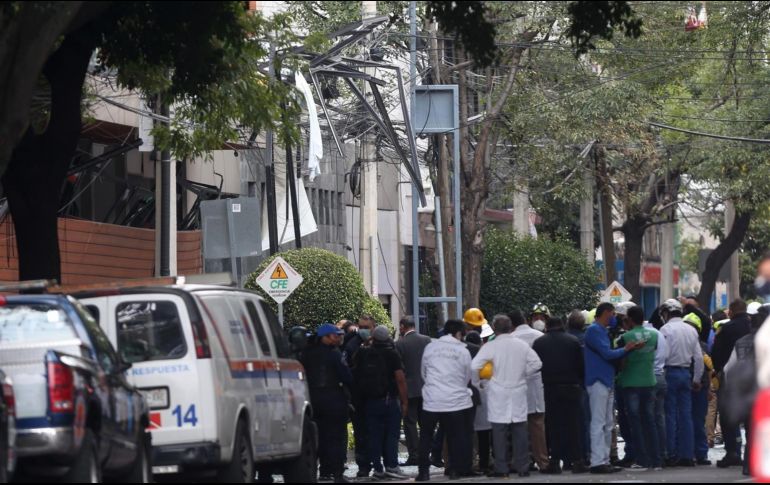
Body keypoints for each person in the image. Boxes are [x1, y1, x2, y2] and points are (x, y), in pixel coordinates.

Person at [471, 314, 542, 478]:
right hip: (518, 390)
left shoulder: (490, 346)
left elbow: (474, 366)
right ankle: (523, 467)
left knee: (499, 431)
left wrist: (477, 384)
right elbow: (537, 363)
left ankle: (501, 467)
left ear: (494, 328)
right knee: (520, 429)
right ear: (511, 328)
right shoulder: (521, 345)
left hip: (498, 391)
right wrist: (523, 374)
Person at [584, 302, 643, 474]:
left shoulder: (600, 331)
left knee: (607, 423)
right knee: (599, 422)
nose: (614, 318)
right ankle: (598, 461)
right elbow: (607, 354)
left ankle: (603, 460)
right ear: (606, 313)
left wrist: (627, 349)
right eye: (613, 314)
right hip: (599, 380)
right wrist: (627, 348)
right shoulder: (594, 331)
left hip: (605, 380)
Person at [416, 319, 475, 482]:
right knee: (454, 436)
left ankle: (423, 472)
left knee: (426, 437)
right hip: (455, 401)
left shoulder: (430, 347)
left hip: (431, 400)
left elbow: (423, 372)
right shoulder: (462, 351)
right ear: (458, 333)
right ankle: (454, 470)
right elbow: (468, 376)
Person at [532, 316, 587, 474]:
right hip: (571, 386)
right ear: (562, 325)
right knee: (573, 425)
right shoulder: (573, 341)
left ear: (547, 326)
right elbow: (581, 366)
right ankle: (577, 461)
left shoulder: (539, 343)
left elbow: (537, 365)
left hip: (550, 387)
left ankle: (555, 461)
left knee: (554, 426)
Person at [352, 325, 409, 479]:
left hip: (369, 401)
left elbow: (354, 370)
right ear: (388, 337)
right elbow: (400, 379)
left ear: (373, 337)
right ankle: (391, 465)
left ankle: (377, 468)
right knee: (391, 434)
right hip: (389, 400)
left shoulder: (363, 352)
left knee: (374, 436)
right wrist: (404, 401)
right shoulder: (392, 353)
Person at [300, 324, 352, 483]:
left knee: (316, 439)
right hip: (333, 400)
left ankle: (317, 472)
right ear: (326, 337)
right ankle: (336, 474)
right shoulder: (334, 353)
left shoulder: (306, 353)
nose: (338, 338)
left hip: (312, 400)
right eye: (335, 335)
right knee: (335, 438)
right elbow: (346, 376)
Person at [659, 298, 704, 467]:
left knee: (670, 414)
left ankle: (671, 453)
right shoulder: (691, 330)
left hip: (670, 373)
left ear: (666, 313)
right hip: (686, 374)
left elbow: (662, 355)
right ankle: (687, 455)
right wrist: (697, 379)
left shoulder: (665, 329)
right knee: (686, 415)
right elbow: (698, 358)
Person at [617, 306, 661, 471]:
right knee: (650, 421)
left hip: (630, 382)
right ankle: (656, 459)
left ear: (629, 319)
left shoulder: (625, 337)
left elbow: (621, 360)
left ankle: (642, 459)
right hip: (649, 381)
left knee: (635, 423)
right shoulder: (655, 335)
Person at [712, 299, 752, 468]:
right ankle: (751, 452)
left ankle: (732, 451)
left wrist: (718, 370)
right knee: (751, 418)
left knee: (728, 416)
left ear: (731, 311)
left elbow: (717, 353)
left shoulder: (726, 328)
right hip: (754, 379)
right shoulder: (753, 327)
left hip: (731, 378)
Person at [510, 309, 549, 473]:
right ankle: (543, 462)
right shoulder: (540, 336)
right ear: (526, 320)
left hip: (516, 387)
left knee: (518, 427)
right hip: (536, 386)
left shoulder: (510, 339)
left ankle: (520, 462)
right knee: (538, 425)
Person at [394, 316, 431, 468]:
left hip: (408, 390)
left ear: (403, 326)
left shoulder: (399, 344)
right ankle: (426, 453)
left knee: (410, 423)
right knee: (426, 423)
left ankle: (414, 455)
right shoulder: (427, 340)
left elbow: (399, 369)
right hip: (426, 387)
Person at [343, 315, 376, 477]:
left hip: (376, 396)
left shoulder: (380, 343)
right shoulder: (351, 344)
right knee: (361, 432)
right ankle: (363, 465)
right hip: (358, 396)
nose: (363, 330)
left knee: (376, 432)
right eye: (361, 327)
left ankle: (379, 464)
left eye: (366, 327)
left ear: (373, 327)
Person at [683, 312, 713, 466]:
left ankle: (698, 453)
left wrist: (708, 389)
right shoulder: (700, 346)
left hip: (698, 387)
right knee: (691, 420)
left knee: (695, 420)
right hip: (692, 386)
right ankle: (695, 453)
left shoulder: (703, 347)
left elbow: (708, 369)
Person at [643, 309, 669, 465]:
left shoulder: (643, 334)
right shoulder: (659, 334)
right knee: (659, 417)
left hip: (647, 378)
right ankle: (663, 453)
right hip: (661, 376)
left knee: (648, 418)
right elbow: (666, 356)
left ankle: (651, 455)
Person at [466, 331, 492, 473]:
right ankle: (484, 463)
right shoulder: (484, 357)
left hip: (466, 398)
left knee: (469, 433)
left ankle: (470, 462)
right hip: (484, 398)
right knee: (484, 435)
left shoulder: (464, 356)